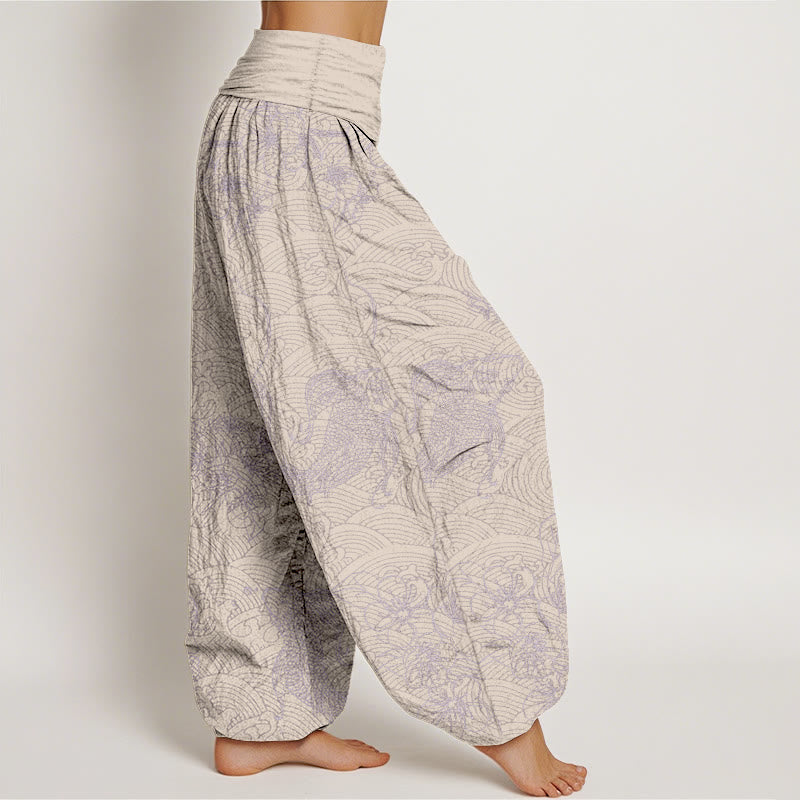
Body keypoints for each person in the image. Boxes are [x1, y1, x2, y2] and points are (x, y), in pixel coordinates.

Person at [186, 2, 588, 796]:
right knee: (461, 400)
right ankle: (501, 709)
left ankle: (260, 714)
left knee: (266, 431)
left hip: (295, 123)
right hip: (296, 125)